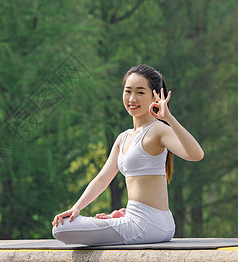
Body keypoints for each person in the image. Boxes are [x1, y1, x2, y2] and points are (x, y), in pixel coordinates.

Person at [51, 64, 204, 246]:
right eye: (128, 91)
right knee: (69, 221)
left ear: (155, 96)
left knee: (60, 229)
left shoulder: (158, 130)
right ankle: (118, 217)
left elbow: (196, 154)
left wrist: (168, 117)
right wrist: (76, 208)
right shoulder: (123, 138)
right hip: (145, 222)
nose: (132, 98)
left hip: (147, 224)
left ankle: (116, 219)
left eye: (140, 92)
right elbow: (102, 179)